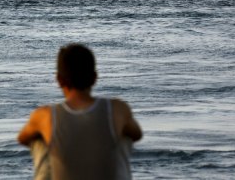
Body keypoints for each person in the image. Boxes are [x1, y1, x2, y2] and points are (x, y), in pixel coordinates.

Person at [17, 43, 142, 180]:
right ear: (94, 77)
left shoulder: (45, 115)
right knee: (122, 136)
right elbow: (136, 135)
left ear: (59, 80)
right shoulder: (117, 109)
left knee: (40, 140)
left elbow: (23, 138)